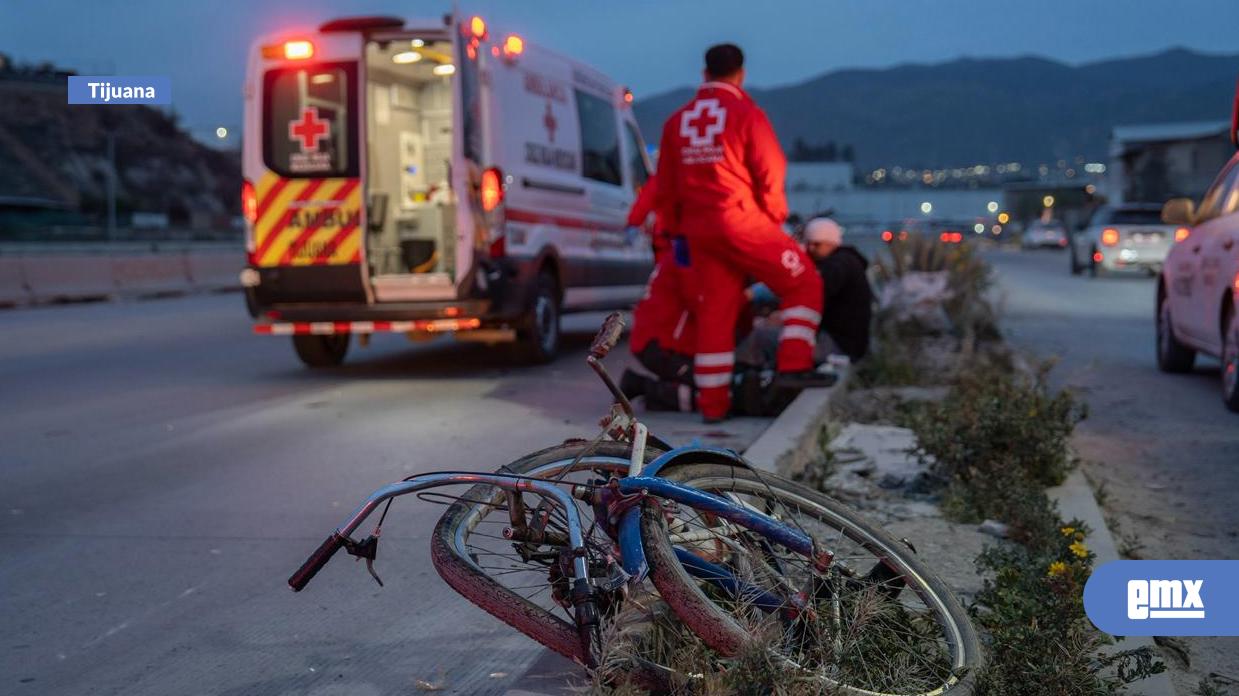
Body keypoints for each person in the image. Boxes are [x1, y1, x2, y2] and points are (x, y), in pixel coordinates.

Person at [654, 43, 828, 422]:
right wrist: (772, 217)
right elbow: (771, 169)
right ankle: (794, 366)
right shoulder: (747, 113)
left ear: (704, 74)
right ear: (741, 74)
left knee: (714, 315)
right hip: (740, 221)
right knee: (805, 282)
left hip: (696, 232)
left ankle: (713, 406)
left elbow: (663, 187)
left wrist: (674, 234)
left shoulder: (675, 122)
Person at [802, 218, 872, 362]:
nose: (810, 249)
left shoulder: (837, 266)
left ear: (830, 243)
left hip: (836, 343)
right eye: (808, 244)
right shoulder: (847, 262)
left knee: (767, 338)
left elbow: (816, 294)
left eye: (816, 244)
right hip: (846, 343)